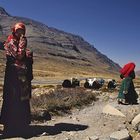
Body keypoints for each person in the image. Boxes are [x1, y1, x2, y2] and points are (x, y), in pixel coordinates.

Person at [0, 22, 33, 135]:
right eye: (18, 31)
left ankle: (20, 125)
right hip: (13, 75)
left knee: (21, 98)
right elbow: (18, 55)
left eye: (22, 31)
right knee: (12, 97)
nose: (21, 33)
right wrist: (23, 43)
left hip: (21, 76)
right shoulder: (11, 41)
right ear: (14, 30)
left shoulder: (18, 41)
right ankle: (10, 126)